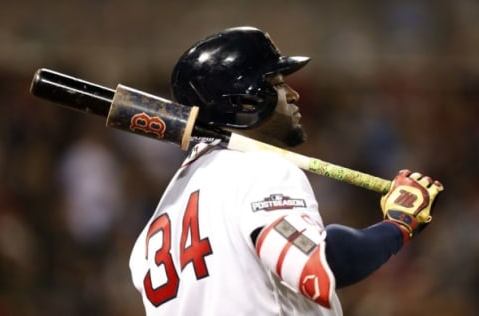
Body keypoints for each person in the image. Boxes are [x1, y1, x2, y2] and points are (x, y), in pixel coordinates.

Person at [129, 26, 444, 316]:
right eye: (278, 84)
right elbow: (318, 266)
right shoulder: (258, 169)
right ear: (245, 101)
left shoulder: (154, 227)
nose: (294, 95)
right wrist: (398, 225)